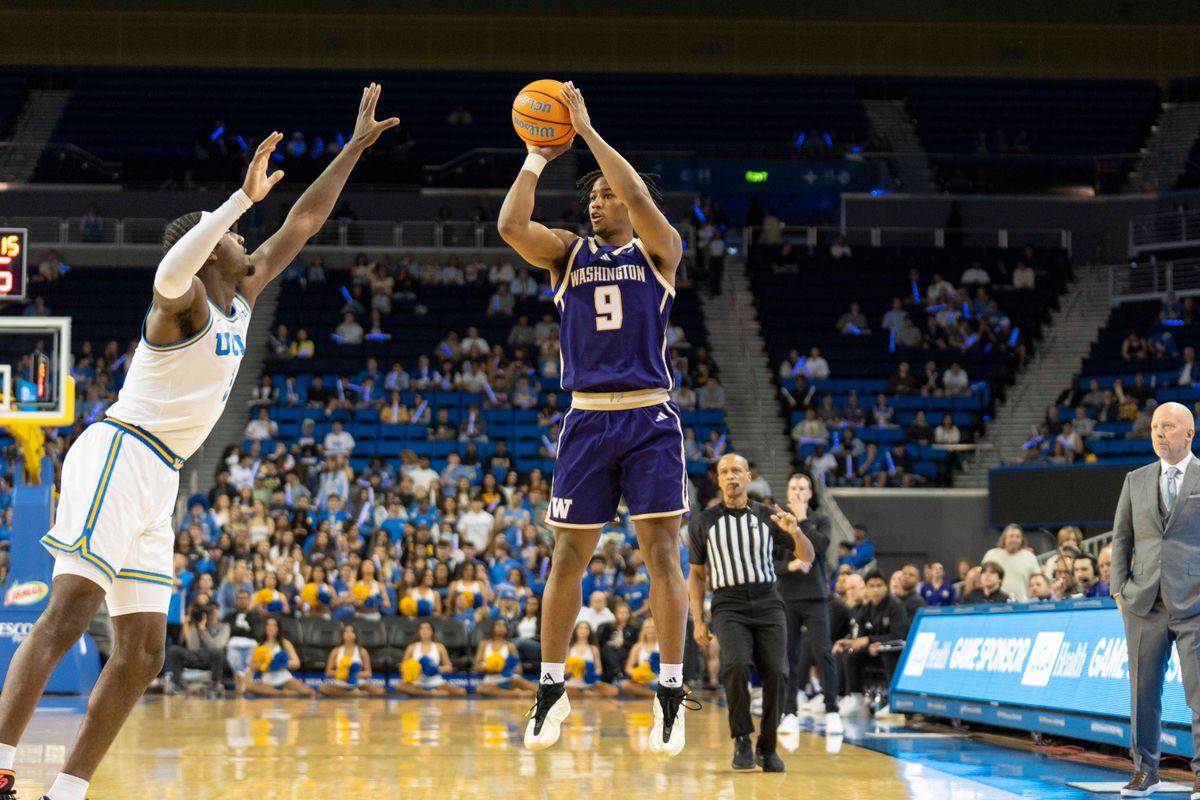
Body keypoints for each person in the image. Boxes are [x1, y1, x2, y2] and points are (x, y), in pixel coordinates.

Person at [0, 84, 397, 800]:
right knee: (67, 614)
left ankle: (68, 790)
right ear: (217, 248)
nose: (253, 243)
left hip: (161, 476)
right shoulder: (181, 309)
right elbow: (169, 270)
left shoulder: (241, 298)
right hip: (120, 451)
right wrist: (236, 203)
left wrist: (354, 149)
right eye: (241, 238)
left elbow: (304, 221)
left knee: (144, 653)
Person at [498, 81, 691, 755]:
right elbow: (510, 228)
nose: (598, 199)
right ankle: (551, 686)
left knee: (662, 552)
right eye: (591, 196)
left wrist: (586, 130)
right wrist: (536, 156)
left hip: (648, 417)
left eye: (603, 192)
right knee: (567, 554)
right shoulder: (567, 252)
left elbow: (639, 197)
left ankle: (671, 689)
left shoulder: (658, 251)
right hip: (586, 418)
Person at [689, 454, 815, 773]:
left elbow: (808, 555)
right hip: (728, 603)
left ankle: (767, 747)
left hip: (767, 600)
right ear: (718, 480)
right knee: (736, 664)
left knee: (777, 671)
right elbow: (697, 575)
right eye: (724, 472)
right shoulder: (703, 521)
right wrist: (699, 621)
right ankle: (742, 738)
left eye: (736, 471)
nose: (731, 477)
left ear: (747, 477)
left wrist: (796, 532)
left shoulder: (768, 515)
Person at [1111, 401, 1200, 797]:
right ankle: (1146, 770)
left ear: (1189, 433)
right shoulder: (1136, 479)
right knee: (1142, 693)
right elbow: (1121, 539)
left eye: (1167, 427)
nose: (1159, 433)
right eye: (1154, 427)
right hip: (1144, 603)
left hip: (1195, 602)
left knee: (1199, 691)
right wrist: (1119, 589)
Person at [776, 473, 843, 737]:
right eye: (793, 487)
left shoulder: (820, 519)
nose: (798, 492)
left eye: (802, 488)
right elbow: (770, 560)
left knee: (823, 652)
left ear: (810, 493)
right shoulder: (777, 519)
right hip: (787, 596)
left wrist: (802, 519)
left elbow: (822, 547)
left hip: (815, 595)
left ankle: (832, 710)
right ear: (787, 490)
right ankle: (789, 711)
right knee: (788, 657)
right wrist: (790, 565)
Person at [834, 570, 909, 716]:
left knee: (888, 652)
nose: (876, 590)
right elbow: (861, 638)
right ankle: (856, 698)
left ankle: (894, 703)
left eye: (879, 585)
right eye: (872, 586)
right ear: (866, 588)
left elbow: (899, 636)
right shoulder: (866, 609)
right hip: (873, 653)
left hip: (896, 653)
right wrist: (850, 643)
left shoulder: (895, 606)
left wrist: (872, 641)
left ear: (885, 587)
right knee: (851, 655)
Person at [246, 617, 315, 698]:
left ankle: (279, 693)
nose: (271, 627)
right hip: (267, 680)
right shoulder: (259, 645)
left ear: (278, 628)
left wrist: (281, 663)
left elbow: (297, 663)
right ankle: (282, 693)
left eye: (274, 625)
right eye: (268, 625)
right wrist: (265, 664)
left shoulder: (285, 643)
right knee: (250, 686)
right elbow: (252, 666)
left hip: (284, 678)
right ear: (265, 628)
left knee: (308, 691)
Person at [396, 620, 467, 697]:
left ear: (432, 631)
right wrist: (414, 670)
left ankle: (427, 693)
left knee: (461, 692)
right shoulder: (411, 647)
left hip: (435, 681)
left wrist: (436, 669)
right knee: (399, 686)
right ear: (418, 632)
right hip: (417, 682)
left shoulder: (439, 647)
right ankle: (429, 694)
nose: (424, 631)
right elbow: (402, 668)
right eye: (422, 628)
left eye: (427, 629)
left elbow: (449, 668)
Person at [473, 619, 538, 697]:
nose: (501, 627)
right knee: (479, 689)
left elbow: (519, 669)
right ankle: (518, 694)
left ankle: (543, 692)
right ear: (492, 628)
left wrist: (503, 667)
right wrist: (490, 666)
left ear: (507, 630)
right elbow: (476, 667)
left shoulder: (510, 646)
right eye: (498, 625)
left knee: (519, 680)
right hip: (490, 680)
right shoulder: (484, 644)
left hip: (508, 679)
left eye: (504, 625)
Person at [318, 623, 386, 697]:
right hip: (340, 683)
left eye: (352, 632)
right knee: (322, 688)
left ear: (356, 635)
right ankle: (352, 694)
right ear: (342, 635)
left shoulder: (362, 651)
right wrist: (342, 673)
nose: (349, 634)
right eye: (346, 632)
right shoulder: (335, 651)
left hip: (358, 683)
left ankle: (354, 693)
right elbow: (327, 672)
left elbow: (369, 673)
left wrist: (353, 674)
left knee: (380, 691)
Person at [980, 524, 1039, 602]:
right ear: (1004, 538)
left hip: (1022, 604)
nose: (1014, 539)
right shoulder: (991, 555)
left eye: (1018, 537)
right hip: (995, 604)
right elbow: (981, 578)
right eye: (1011, 536)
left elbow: (1037, 580)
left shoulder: (1030, 557)